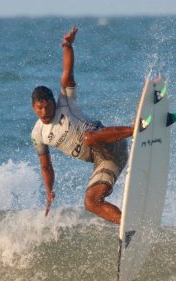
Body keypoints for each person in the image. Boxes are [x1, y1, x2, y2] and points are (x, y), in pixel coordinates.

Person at [30, 26, 133, 224]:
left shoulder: (65, 102)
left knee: (87, 138)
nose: (44, 112)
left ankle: (136, 128)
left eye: (47, 106)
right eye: (39, 108)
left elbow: (67, 74)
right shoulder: (37, 134)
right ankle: (129, 227)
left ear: (53, 102)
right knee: (91, 201)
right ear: (34, 107)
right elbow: (46, 166)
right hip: (104, 161)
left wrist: (67, 45)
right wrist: (49, 191)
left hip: (111, 143)